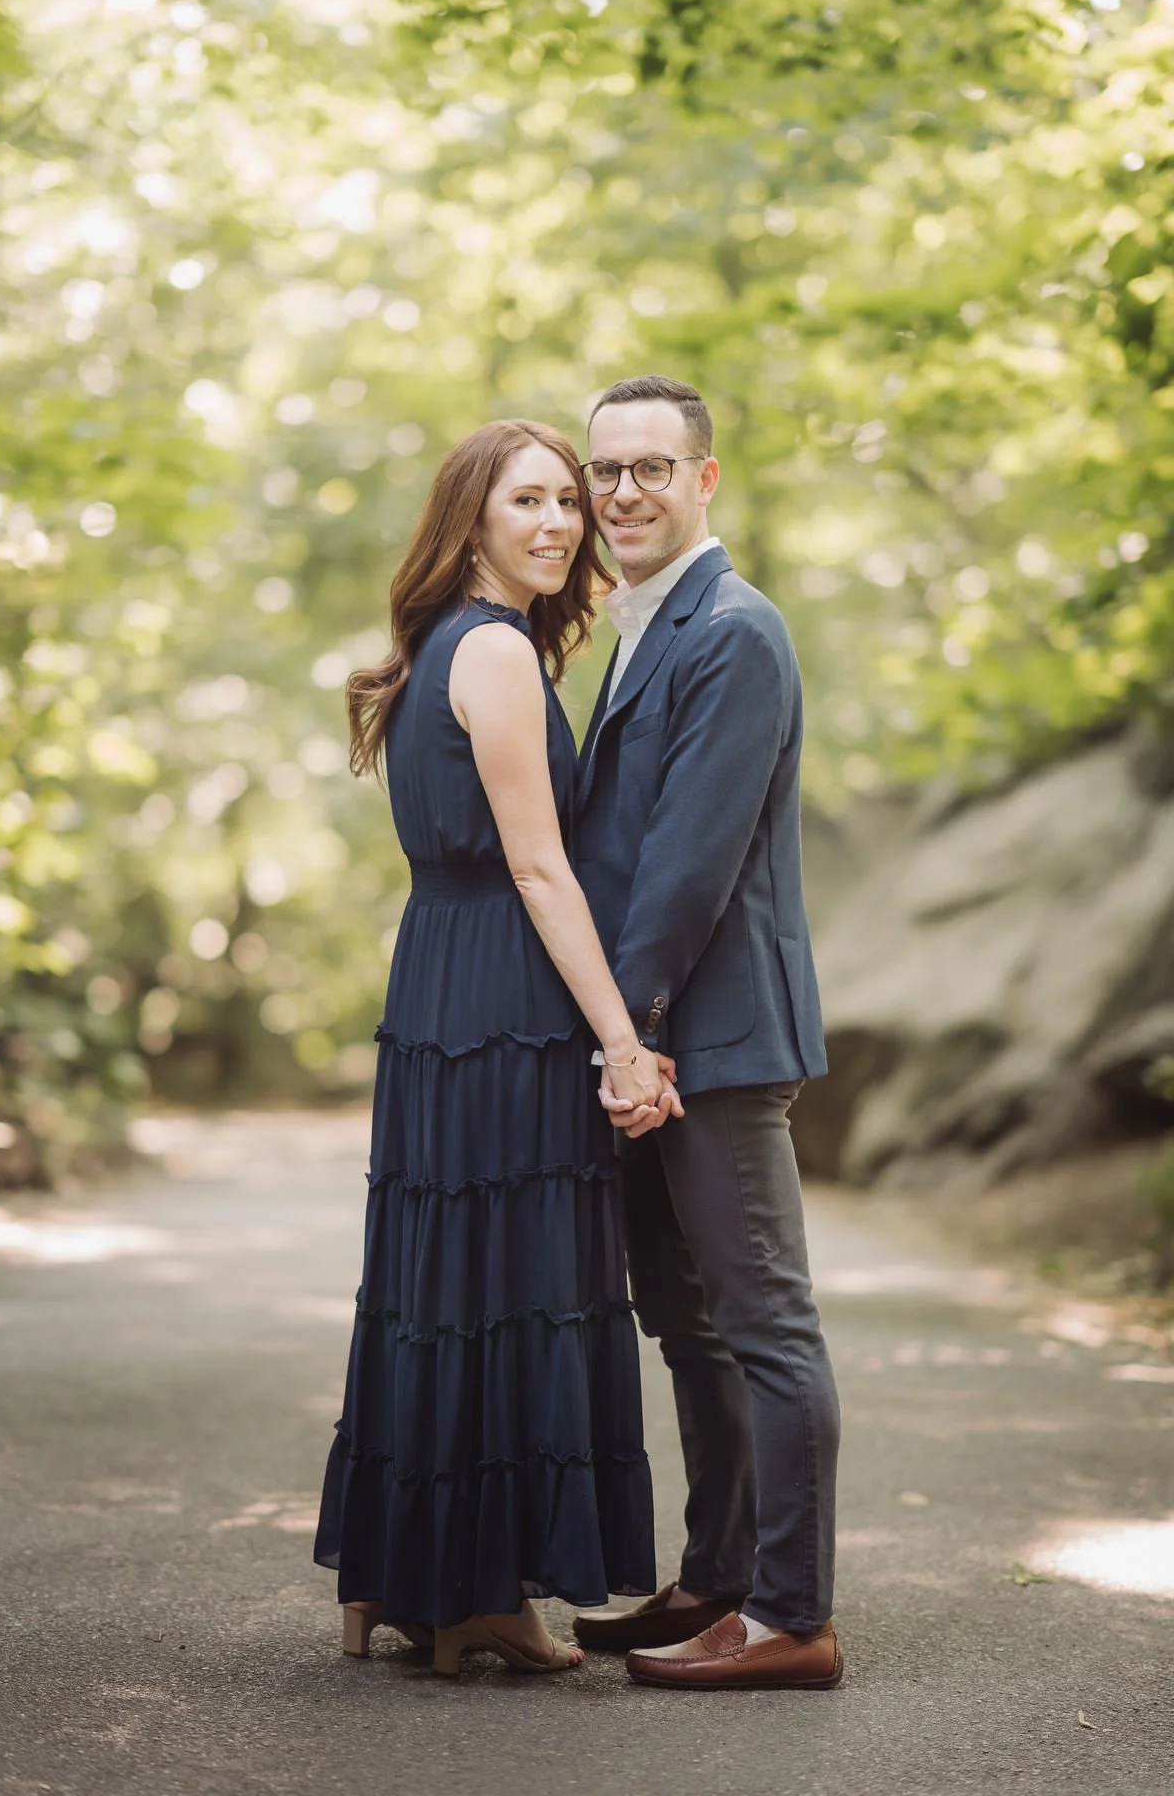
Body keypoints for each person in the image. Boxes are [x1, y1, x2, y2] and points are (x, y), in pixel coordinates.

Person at [313, 419, 673, 1678]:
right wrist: (624, 1044)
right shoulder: (501, 654)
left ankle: (400, 1571)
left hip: (438, 980)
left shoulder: (429, 652)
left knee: (440, 1281)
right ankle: (469, 1593)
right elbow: (538, 865)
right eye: (529, 500)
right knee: (510, 1280)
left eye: (569, 502)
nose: (561, 522)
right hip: (506, 999)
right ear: (470, 519)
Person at [570, 375, 843, 1690]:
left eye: (651, 469)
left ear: (704, 481)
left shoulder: (732, 629)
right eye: (605, 469)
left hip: (709, 1043)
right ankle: (717, 1580)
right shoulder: (647, 622)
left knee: (765, 1326)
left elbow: (688, 866)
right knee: (694, 1330)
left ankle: (792, 1618)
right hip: (671, 1034)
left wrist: (638, 1039)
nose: (624, 491)